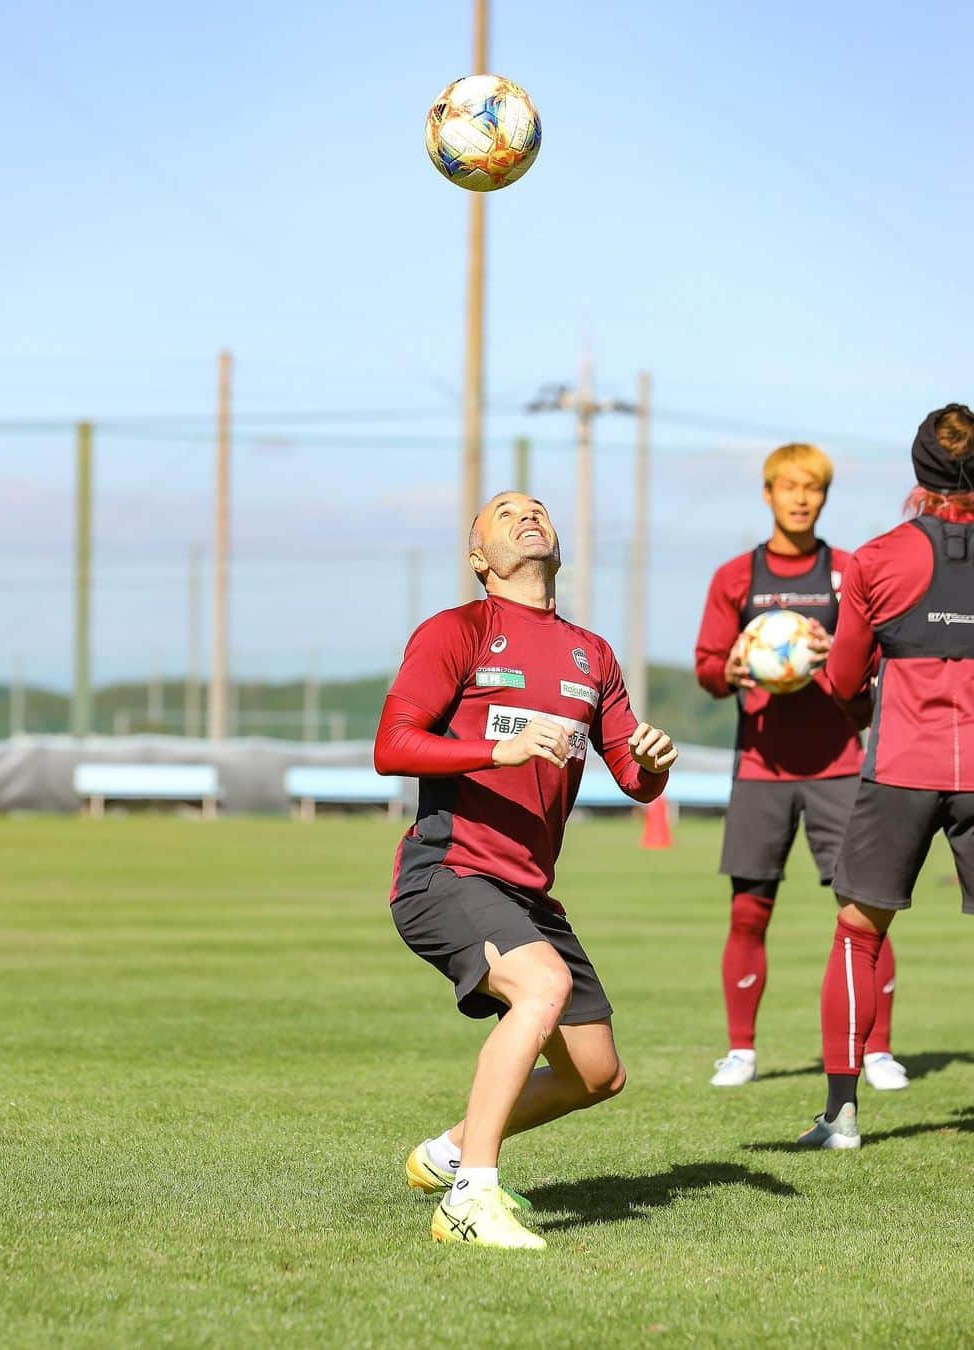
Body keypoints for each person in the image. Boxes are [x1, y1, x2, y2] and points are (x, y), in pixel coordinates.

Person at [373, 491, 678, 1250]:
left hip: (528, 889)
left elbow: (630, 778)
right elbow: (393, 746)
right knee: (542, 987)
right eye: (503, 513)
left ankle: (444, 1154)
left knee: (597, 1073)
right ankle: (471, 1198)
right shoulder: (457, 632)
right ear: (480, 558)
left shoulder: (592, 655)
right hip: (448, 871)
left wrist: (653, 769)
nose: (526, 516)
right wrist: (494, 748)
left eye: (536, 508)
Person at [695, 443, 905, 1090]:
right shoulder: (735, 576)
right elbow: (706, 667)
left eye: (812, 487)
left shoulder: (850, 572)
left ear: (824, 497)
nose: (800, 497)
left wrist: (839, 647)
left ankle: (877, 1050)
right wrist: (728, 669)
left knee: (863, 909)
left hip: (841, 766)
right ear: (767, 494)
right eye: (788, 486)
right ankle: (742, 1051)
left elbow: (879, 660)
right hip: (762, 768)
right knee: (748, 911)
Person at [798, 405, 974, 1147]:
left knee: (857, 932)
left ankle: (840, 1116)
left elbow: (841, 683)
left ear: (917, 471)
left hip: (902, 764)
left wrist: (834, 668)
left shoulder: (874, 560)